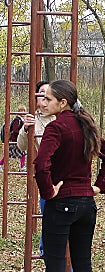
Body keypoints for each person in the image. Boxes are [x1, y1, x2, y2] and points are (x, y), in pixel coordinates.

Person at [34, 80, 105, 272]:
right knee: (83, 265)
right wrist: (98, 186)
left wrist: (48, 192)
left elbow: (41, 164)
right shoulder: (85, 125)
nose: (43, 102)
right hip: (86, 205)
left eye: (48, 98)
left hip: (61, 202)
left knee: (54, 267)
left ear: (63, 103)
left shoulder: (56, 127)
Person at [17, 80, 55, 257]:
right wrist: (26, 128)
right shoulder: (34, 119)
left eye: (49, 95)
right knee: (48, 218)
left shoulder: (63, 116)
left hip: (67, 175)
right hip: (48, 177)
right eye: (42, 94)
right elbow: (21, 146)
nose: (45, 100)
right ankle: (46, 254)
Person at [0, 104, 26, 172]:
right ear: (18, 111)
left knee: (22, 152)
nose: (23, 112)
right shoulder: (17, 120)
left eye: (24, 111)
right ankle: (0, 164)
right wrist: (21, 133)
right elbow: (15, 130)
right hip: (14, 140)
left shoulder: (21, 120)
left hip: (17, 139)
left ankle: (22, 166)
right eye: (21, 111)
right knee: (9, 153)